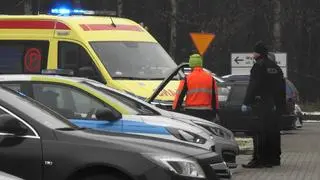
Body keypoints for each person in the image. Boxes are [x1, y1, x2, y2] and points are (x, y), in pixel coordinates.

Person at [241, 41, 286, 168]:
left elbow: (253, 85)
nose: (253, 54)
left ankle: (258, 160)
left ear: (258, 53)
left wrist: (246, 102)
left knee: (259, 132)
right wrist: (280, 105)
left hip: (260, 104)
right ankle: (272, 159)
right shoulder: (275, 67)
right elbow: (282, 88)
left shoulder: (258, 66)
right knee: (272, 132)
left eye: (254, 52)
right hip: (273, 105)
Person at [172, 54, 218, 122]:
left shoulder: (187, 78)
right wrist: (215, 112)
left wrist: (175, 110)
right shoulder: (210, 78)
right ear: (201, 64)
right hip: (207, 113)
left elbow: (179, 96)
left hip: (191, 113)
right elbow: (215, 98)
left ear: (191, 65)